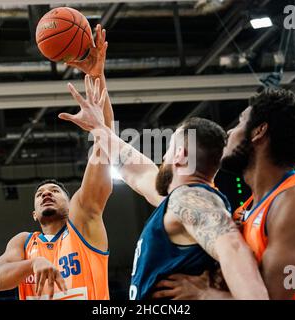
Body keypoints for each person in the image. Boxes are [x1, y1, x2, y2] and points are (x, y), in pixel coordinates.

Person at [58, 78, 269, 300]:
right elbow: (135, 170)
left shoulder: (192, 200)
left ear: (179, 155)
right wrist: (99, 125)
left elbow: (234, 249)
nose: (164, 156)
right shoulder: (176, 199)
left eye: (169, 148)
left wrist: (208, 295)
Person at [153, 89, 295, 300]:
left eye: (240, 123)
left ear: (258, 131)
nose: (230, 133)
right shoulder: (246, 210)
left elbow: (271, 299)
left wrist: (205, 295)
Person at [0, 25, 115, 300]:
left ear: (72, 205)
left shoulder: (84, 220)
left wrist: (96, 77)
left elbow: (105, 147)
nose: (46, 193)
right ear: (34, 214)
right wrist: (33, 263)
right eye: (39, 194)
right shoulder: (24, 242)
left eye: (55, 191)